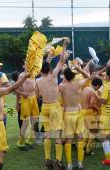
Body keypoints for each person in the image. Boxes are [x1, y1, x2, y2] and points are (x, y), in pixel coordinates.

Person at [0, 71, 30, 170]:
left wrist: (1, 111)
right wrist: (24, 78)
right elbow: (12, 88)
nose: (0, 80)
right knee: (0, 153)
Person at [35, 38, 70, 170]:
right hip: (55, 106)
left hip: (44, 106)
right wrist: (64, 46)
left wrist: (48, 57)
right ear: (49, 69)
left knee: (47, 133)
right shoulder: (53, 75)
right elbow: (61, 61)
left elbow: (37, 95)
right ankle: (59, 160)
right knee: (57, 135)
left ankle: (47, 158)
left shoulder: (38, 81)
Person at [59, 66, 89, 170]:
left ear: (65, 76)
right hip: (78, 112)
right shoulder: (78, 84)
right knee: (80, 138)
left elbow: (63, 80)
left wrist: (67, 74)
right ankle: (80, 162)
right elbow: (88, 76)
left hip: (68, 113)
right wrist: (78, 68)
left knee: (68, 140)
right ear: (74, 75)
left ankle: (69, 164)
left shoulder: (61, 86)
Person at [16, 62, 40, 149]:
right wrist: (22, 93)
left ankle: (29, 140)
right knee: (25, 122)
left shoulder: (33, 74)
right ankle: (20, 142)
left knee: (35, 121)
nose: (30, 65)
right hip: (25, 100)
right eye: (27, 63)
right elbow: (15, 88)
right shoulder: (22, 75)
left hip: (34, 99)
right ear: (23, 66)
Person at [81, 77, 103, 156]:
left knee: (88, 130)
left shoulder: (85, 88)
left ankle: (83, 147)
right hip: (88, 112)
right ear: (97, 85)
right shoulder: (93, 91)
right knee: (94, 131)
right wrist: (98, 109)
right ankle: (88, 150)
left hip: (82, 111)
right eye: (99, 87)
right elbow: (91, 104)